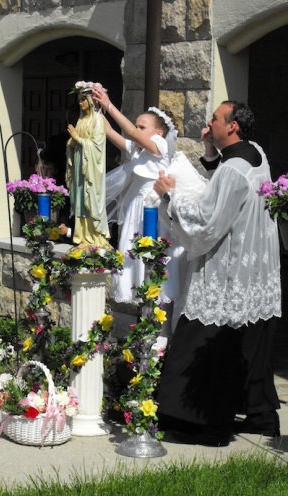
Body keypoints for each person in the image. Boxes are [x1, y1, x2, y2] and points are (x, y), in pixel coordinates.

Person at [153, 101, 282, 446]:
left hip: (227, 270)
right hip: (256, 271)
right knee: (250, 347)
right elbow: (225, 192)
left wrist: (171, 196)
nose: (208, 124)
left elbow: (208, 222)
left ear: (234, 126)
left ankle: (199, 424)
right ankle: (262, 415)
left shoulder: (233, 170)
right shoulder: (255, 152)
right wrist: (211, 151)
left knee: (199, 342)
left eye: (215, 119)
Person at [92, 85, 186, 332]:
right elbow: (112, 131)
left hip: (153, 213)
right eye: (138, 126)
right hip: (136, 212)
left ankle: (161, 332)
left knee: (156, 264)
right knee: (136, 264)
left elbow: (132, 133)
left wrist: (110, 103)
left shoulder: (160, 146)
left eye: (144, 127)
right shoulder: (139, 150)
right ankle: (145, 325)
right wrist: (97, 108)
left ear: (159, 132)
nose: (137, 130)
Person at [66, 83, 110, 247]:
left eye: (83, 99)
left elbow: (97, 147)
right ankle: (82, 236)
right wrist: (71, 143)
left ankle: (94, 237)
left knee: (89, 198)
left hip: (90, 169)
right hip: (79, 165)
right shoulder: (81, 120)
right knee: (79, 200)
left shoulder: (98, 120)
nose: (80, 103)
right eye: (79, 99)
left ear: (92, 100)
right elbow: (76, 143)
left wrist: (77, 139)